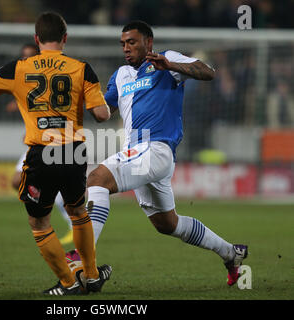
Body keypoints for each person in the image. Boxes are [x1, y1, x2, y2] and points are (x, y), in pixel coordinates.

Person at [0, 12, 113, 296]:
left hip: (42, 153)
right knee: (79, 212)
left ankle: (68, 283)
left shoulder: (18, 68)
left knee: (39, 221)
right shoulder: (82, 68)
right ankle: (91, 276)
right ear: (65, 39)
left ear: (36, 39)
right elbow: (102, 115)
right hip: (73, 152)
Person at [70, 20, 248, 287]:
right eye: (123, 44)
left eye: (132, 42)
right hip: (138, 154)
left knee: (97, 179)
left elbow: (208, 72)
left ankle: (83, 260)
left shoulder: (167, 60)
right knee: (168, 224)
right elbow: (103, 112)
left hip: (156, 149)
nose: (126, 48)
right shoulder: (120, 75)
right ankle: (230, 253)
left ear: (148, 42)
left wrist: (171, 66)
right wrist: (81, 97)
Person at [8, 43, 74, 245]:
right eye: (23, 57)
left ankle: (72, 220)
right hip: (39, 140)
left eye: (30, 56)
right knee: (17, 181)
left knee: (27, 180)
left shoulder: (48, 78)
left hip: (55, 140)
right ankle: (60, 209)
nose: (26, 60)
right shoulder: (26, 80)